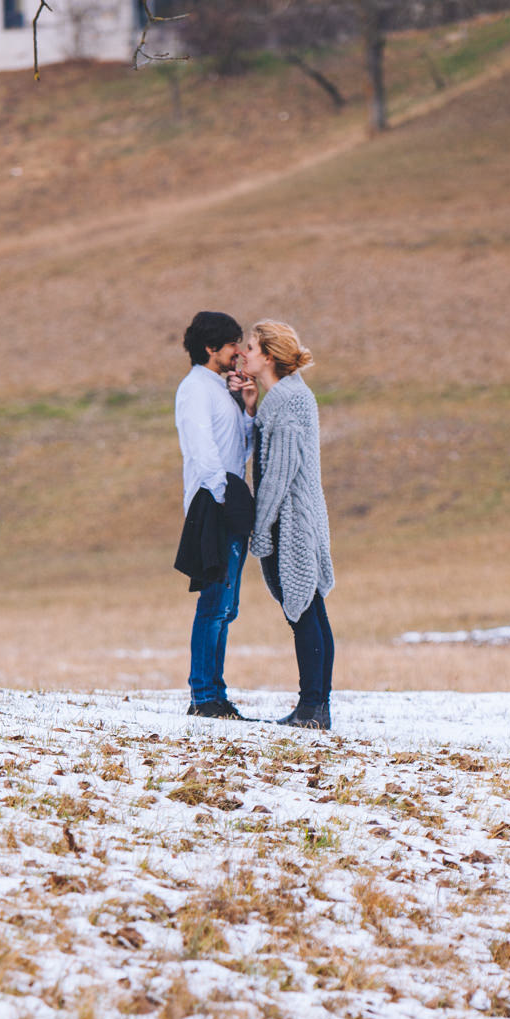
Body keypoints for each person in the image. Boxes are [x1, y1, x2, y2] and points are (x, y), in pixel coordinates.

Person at [243, 320, 335, 731]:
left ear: (267, 355)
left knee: (304, 610)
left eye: (248, 347)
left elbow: (279, 472)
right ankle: (314, 706)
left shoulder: (290, 401)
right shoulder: (281, 398)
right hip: (296, 516)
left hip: (292, 521)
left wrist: (260, 527)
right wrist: (250, 408)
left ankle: (313, 708)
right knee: (309, 609)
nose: (242, 353)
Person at [174, 311, 258, 720]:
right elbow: (203, 450)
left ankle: (216, 692)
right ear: (210, 348)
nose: (238, 352)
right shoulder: (195, 390)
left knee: (227, 606)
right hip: (214, 504)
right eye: (232, 344)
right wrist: (226, 499)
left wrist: (246, 407)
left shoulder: (219, 390)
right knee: (213, 603)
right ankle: (203, 695)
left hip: (228, 503)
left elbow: (238, 449)